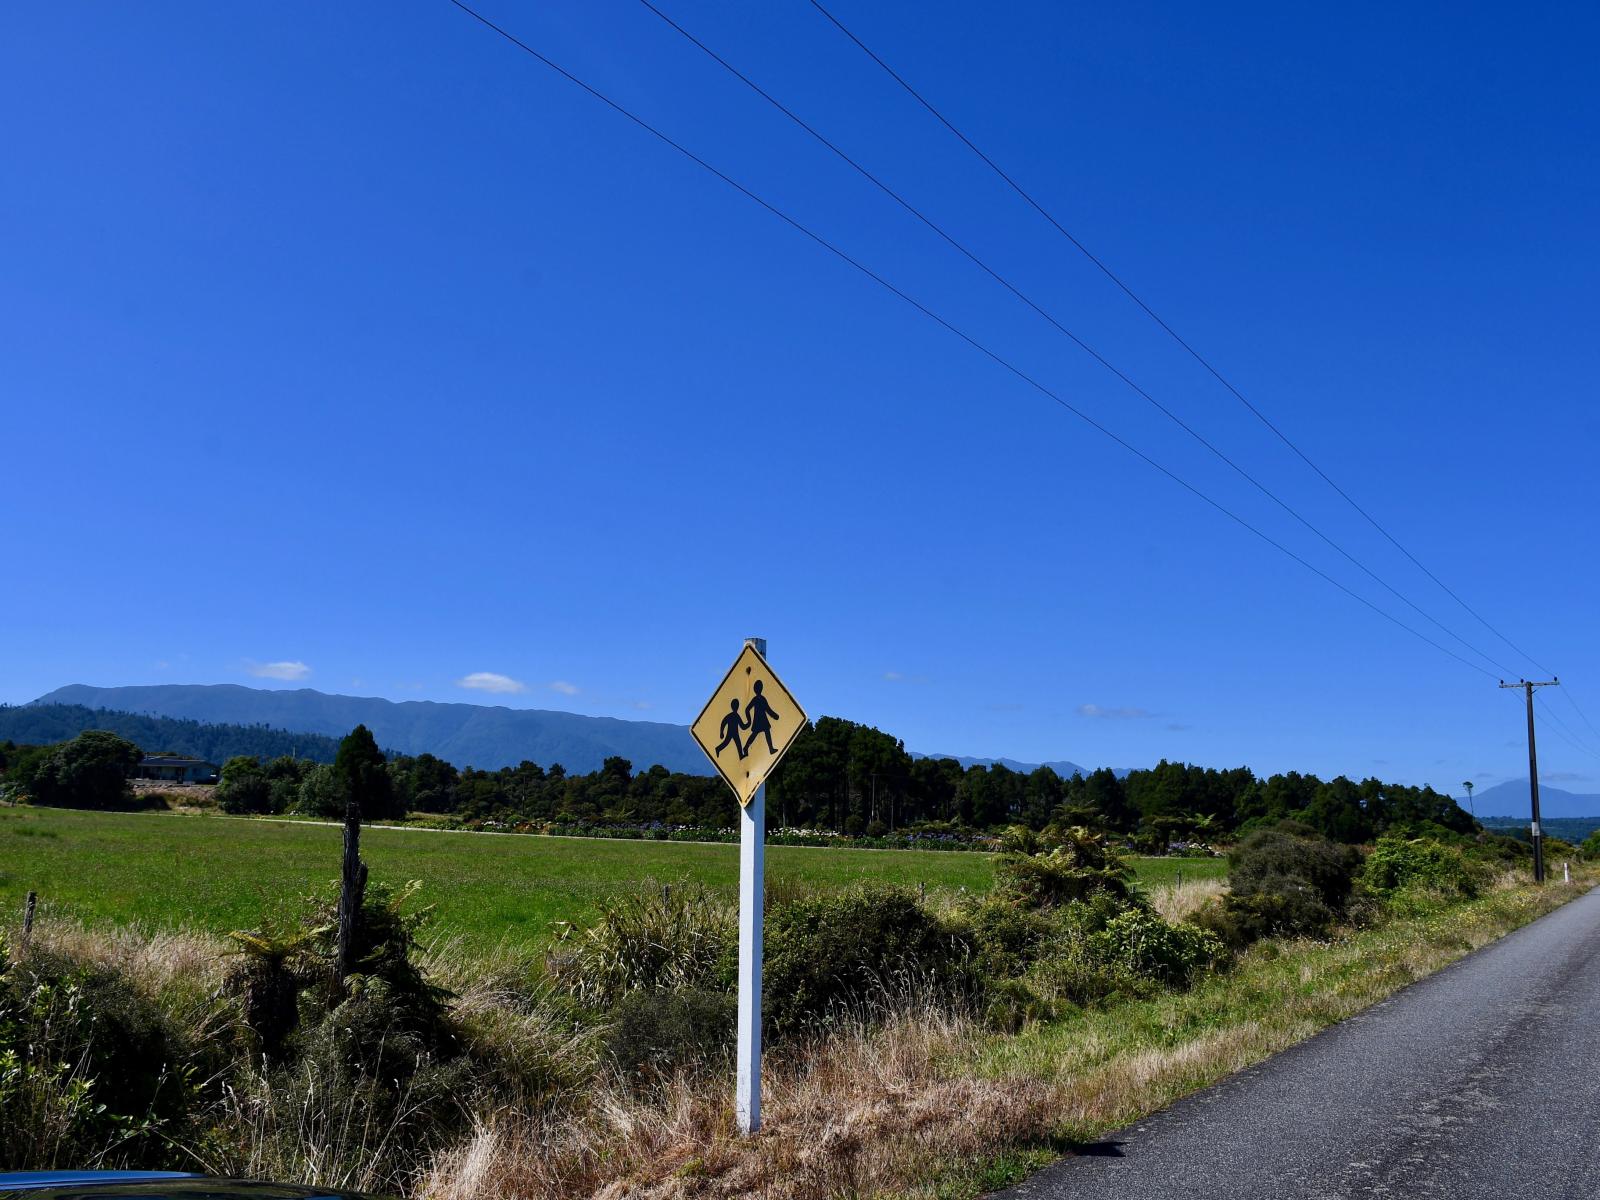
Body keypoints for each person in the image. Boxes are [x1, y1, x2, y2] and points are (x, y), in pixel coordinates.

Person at [744, 679, 781, 756]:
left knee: (767, 731)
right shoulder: (755, 699)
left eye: (760, 687)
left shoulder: (763, 698)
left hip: (763, 719)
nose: (760, 689)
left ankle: (771, 748)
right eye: (759, 687)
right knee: (754, 734)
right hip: (758, 720)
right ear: (756, 689)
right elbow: (747, 709)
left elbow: (768, 709)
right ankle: (746, 747)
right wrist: (749, 720)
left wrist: (775, 716)